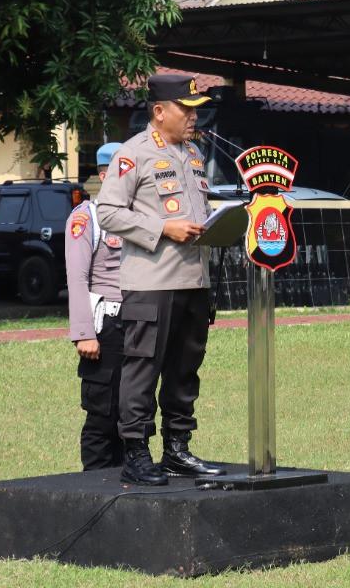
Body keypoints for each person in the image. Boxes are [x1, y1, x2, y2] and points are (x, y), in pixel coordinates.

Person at [96, 74, 224, 486]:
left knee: (185, 369)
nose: (193, 116)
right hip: (152, 282)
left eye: (196, 109)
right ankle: (135, 452)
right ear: (159, 111)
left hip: (193, 280)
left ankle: (177, 449)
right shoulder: (133, 155)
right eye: (185, 109)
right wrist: (163, 228)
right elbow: (108, 212)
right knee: (142, 369)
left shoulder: (193, 154)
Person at [66, 142, 126, 470]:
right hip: (106, 326)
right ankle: (95, 489)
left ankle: (130, 482)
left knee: (133, 414)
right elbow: (76, 279)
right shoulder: (86, 217)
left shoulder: (137, 216)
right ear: (104, 175)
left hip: (139, 323)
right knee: (102, 415)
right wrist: (84, 333)